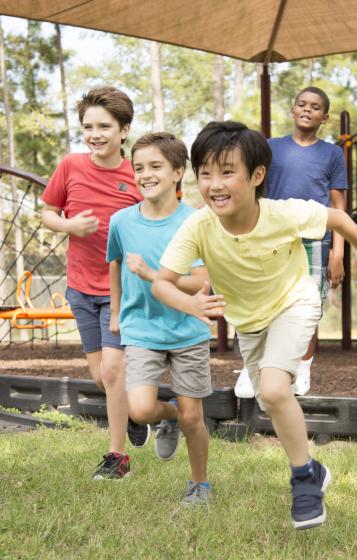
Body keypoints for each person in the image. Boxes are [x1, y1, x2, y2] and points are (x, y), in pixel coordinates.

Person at [152, 121, 357, 529]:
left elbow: (341, 220)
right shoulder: (199, 226)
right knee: (270, 400)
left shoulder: (284, 213)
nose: (214, 184)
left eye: (227, 172)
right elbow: (161, 283)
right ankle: (313, 469)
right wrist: (190, 302)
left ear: (257, 175)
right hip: (250, 321)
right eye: (204, 173)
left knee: (277, 388)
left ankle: (302, 483)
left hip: (295, 302)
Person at [41, 86, 149, 480]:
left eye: (104, 126)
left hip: (122, 291)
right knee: (100, 375)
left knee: (113, 371)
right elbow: (48, 212)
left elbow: (161, 218)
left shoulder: (139, 174)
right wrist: (69, 225)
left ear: (124, 130)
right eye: (88, 126)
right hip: (80, 286)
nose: (95, 133)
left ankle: (117, 456)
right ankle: (136, 417)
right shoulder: (70, 166)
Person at [107, 132, 216, 505]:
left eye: (156, 166)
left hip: (187, 329)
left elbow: (201, 283)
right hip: (141, 328)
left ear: (178, 172)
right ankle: (167, 417)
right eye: (139, 167)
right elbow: (115, 263)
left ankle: (200, 484)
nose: (145, 174)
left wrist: (154, 275)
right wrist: (117, 310)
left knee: (194, 418)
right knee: (138, 408)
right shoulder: (121, 221)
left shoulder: (196, 221)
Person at [234, 86, 348, 398]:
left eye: (315, 107)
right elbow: (252, 188)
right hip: (271, 239)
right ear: (293, 110)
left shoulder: (332, 154)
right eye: (302, 104)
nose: (307, 109)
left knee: (308, 308)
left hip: (314, 241)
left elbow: (339, 208)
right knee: (261, 302)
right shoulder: (271, 148)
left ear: (324, 117)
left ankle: (302, 369)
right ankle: (252, 367)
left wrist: (338, 251)